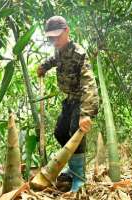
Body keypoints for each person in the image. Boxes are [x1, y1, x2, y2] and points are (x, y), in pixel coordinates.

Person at [37, 16, 99, 192]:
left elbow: (89, 83)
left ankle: (79, 176)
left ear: (67, 31)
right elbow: (54, 60)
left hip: (81, 100)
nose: (54, 41)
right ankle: (72, 167)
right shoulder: (59, 50)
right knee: (59, 133)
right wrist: (44, 66)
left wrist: (86, 114)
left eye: (57, 36)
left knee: (75, 135)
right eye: (51, 38)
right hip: (69, 99)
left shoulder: (79, 53)